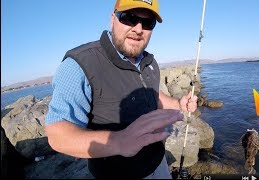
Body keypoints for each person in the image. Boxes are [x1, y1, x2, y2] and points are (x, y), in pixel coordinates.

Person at [45, 0, 198, 179]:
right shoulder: (80, 64)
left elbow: (153, 96)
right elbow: (58, 135)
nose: (138, 29)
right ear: (113, 19)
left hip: (158, 164)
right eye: (129, 18)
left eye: (148, 23)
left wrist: (179, 103)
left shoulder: (149, 62)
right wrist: (119, 141)